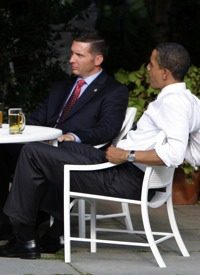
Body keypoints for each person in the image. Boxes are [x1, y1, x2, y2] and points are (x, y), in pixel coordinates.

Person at [1, 42, 199, 260]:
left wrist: (128, 155)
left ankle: (24, 238)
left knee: (32, 152)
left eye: (151, 64)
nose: (147, 68)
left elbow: (174, 154)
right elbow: (195, 152)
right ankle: (54, 231)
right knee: (57, 147)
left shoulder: (174, 104)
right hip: (122, 166)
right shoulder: (190, 100)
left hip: (125, 176)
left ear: (165, 73)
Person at [0, 31, 129, 240]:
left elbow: (107, 129)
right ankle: (4, 222)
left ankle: (23, 230)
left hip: (71, 152)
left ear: (98, 59)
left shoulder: (113, 91)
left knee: (36, 153)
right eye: (72, 53)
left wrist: (74, 136)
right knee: (3, 150)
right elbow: (37, 118)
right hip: (40, 146)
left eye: (79, 55)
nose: (71, 60)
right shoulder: (62, 86)